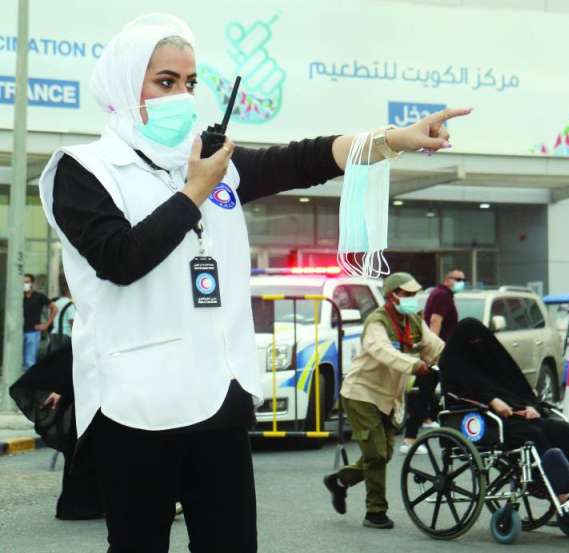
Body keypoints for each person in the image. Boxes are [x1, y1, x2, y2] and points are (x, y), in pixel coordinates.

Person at [38, 14, 469, 552]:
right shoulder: (84, 170)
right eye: (165, 81)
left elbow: (299, 160)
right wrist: (196, 190)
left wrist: (390, 140)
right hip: (137, 404)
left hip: (220, 395)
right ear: (127, 83)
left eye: (190, 83)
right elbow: (121, 260)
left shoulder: (209, 163)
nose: (183, 96)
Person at [439, 318, 569, 518]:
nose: (478, 346)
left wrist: (530, 406)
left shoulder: (492, 359)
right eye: (472, 343)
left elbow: (518, 387)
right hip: (486, 420)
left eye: (480, 341)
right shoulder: (453, 362)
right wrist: (492, 400)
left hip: (518, 415)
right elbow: (461, 392)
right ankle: (564, 494)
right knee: (535, 436)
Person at [324, 272, 444, 529]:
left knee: (383, 453)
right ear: (393, 295)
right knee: (376, 453)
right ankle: (375, 512)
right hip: (361, 393)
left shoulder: (413, 320)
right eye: (408, 295)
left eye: (414, 294)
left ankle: (340, 481)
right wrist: (416, 365)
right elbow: (384, 352)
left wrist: (455, 359)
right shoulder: (376, 322)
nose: (413, 299)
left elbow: (434, 346)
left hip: (388, 397)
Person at [10, 346, 104, 521]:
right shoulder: (93, 332)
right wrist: (60, 388)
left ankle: (95, 503)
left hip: (102, 398)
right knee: (86, 448)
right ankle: (84, 504)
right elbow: (78, 357)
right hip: (90, 400)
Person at [397, 268, 465, 454]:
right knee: (427, 393)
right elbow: (435, 321)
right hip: (439, 353)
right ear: (447, 279)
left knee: (426, 391)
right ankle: (410, 440)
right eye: (457, 278)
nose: (461, 281)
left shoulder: (440, 293)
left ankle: (427, 421)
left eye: (463, 279)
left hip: (439, 352)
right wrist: (433, 350)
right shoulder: (443, 295)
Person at [22, 273, 56, 370]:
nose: (25, 284)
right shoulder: (18, 297)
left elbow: (54, 308)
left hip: (32, 332)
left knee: (30, 362)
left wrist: (46, 325)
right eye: (23, 282)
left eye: (27, 282)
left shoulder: (39, 297)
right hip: (18, 333)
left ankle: (28, 384)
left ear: (32, 283)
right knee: (18, 362)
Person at [47, 281, 76, 354]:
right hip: (65, 335)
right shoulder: (70, 304)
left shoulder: (55, 303)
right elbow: (72, 322)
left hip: (54, 334)